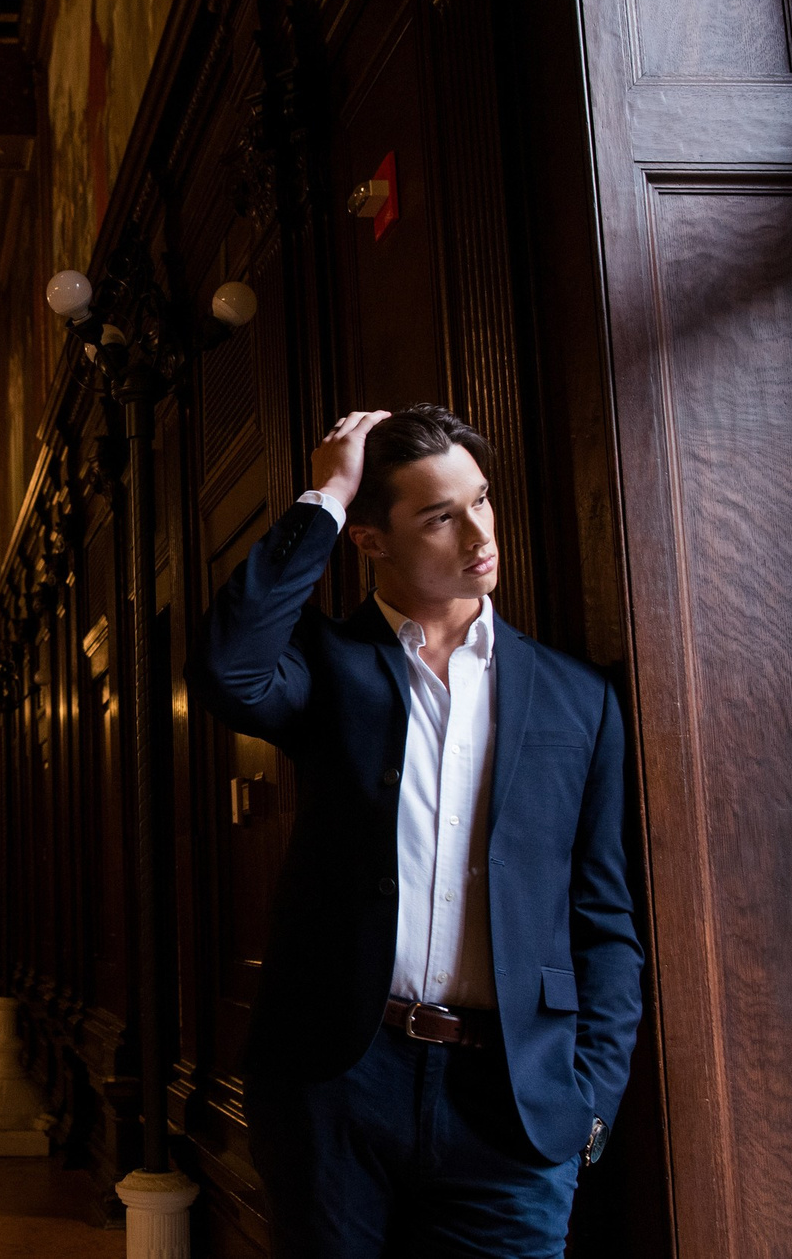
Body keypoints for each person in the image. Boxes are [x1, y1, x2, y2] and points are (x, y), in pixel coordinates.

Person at [187, 404, 642, 1258]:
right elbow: (229, 667)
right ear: (372, 542)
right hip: (337, 1083)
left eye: (481, 500)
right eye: (440, 516)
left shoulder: (578, 698)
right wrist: (328, 496)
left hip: (513, 1100)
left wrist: (590, 1101)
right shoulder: (329, 666)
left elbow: (605, 917)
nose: (479, 533)